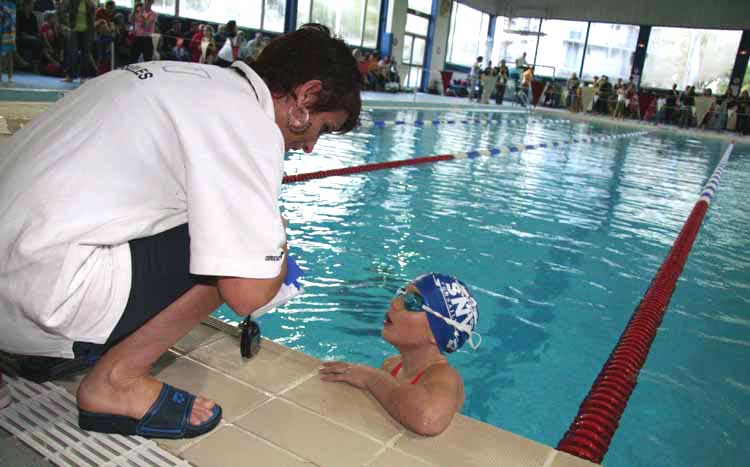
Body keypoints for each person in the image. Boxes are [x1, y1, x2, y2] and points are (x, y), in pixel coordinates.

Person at [0, 24, 362, 440]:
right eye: (324, 128)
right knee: (239, 255)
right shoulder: (251, 124)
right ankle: (116, 383)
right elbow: (247, 295)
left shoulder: (186, 79)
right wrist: (274, 244)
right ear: (307, 96)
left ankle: (31, 351)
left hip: (13, 284)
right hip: (36, 299)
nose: (312, 146)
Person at [320, 273, 480, 436]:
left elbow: (428, 420)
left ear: (437, 332)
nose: (395, 303)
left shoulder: (447, 377)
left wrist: (368, 376)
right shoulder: (391, 364)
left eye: (412, 302)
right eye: (401, 293)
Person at [63, 0, 96, 82]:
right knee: (73, 53)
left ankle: (83, 76)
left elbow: (93, 15)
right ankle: (70, 76)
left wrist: (90, 4)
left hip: (87, 30)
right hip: (74, 29)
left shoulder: (90, 2)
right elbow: (66, 10)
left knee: (85, 53)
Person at [0, 0, 16, 84]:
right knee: (1, 57)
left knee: (10, 55)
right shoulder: (1, 4)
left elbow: (13, 21)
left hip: (11, 33)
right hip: (2, 32)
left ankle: (10, 77)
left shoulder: (13, 5)